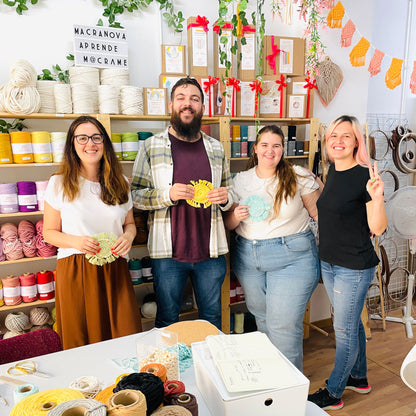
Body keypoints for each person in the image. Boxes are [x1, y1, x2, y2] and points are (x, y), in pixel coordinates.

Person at [130, 77, 234, 329]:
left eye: (194, 99)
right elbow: (136, 196)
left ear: (202, 106)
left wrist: (226, 198)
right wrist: (168, 194)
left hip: (210, 252)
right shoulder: (151, 147)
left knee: (212, 318)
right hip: (168, 254)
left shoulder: (216, 148)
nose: (188, 104)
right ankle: (168, 368)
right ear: (171, 105)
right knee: (167, 319)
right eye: (181, 98)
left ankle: (209, 368)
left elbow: (230, 191)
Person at [223, 125, 321, 371]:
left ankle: (289, 397)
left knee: (283, 327)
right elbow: (230, 224)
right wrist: (236, 215)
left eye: (276, 145)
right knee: (264, 322)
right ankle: (272, 382)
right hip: (248, 258)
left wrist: (322, 185)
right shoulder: (240, 180)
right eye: (264, 145)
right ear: (255, 149)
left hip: (293, 258)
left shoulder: (298, 175)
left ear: (283, 149)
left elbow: (320, 214)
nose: (270, 150)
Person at [308, 115, 387, 410]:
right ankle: (359, 377)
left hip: (352, 267)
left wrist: (377, 198)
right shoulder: (333, 172)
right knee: (351, 325)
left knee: (344, 331)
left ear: (357, 142)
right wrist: (317, 184)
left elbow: (377, 228)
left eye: (346, 136)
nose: (338, 141)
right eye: (333, 136)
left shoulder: (365, 176)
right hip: (331, 262)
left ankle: (333, 392)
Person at [43, 115, 142, 349]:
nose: (90, 144)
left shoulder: (120, 182)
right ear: (72, 144)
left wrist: (128, 237)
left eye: (96, 137)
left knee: (124, 334)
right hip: (77, 270)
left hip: (115, 268)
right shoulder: (58, 184)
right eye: (82, 138)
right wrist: (76, 241)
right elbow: (49, 232)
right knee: (82, 339)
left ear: (105, 143)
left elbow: (129, 225)